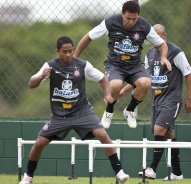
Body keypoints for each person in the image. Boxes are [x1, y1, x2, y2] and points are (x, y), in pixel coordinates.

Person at [19, 36, 129, 184]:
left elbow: (103, 78)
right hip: (59, 116)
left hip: (82, 112)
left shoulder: (83, 65)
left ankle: (119, 172)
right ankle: (28, 176)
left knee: (102, 134)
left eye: (71, 51)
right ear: (57, 51)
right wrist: (41, 77)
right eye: (64, 51)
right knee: (39, 143)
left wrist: (108, 94)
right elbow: (31, 84)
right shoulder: (50, 65)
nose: (68, 54)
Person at [74, 0, 171, 129]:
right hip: (115, 65)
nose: (131, 22)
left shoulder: (144, 26)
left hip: (135, 66)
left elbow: (161, 43)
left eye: (134, 19)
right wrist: (75, 57)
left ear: (138, 16)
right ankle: (108, 112)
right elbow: (88, 37)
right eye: (128, 18)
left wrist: (164, 57)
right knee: (115, 85)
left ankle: (130, 110)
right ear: (122, 14)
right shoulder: (110, 22)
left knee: (146, 83)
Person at [120, 24, 191, 180]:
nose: (156, 40)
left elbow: (189, 74)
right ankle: (177, 173)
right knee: (168, 135)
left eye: (159, 36)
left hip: (172, 100)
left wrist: (189, 98)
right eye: (152, 37)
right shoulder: (149, 54)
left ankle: (152, 169)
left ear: (165, 36)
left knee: (158, 130)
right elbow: (141, 78)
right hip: (157, 100)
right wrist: (122, 91)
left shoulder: (176, 52)